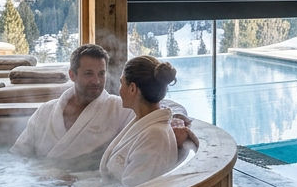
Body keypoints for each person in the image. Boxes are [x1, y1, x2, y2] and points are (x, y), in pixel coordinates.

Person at [11, 44, 191, 169]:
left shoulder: (117, 108)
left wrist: (177, 118)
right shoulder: (45, 112)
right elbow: (18, 156)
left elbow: (157, 105)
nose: (96, 81)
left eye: (101, 73)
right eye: (89, 74)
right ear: (72, 75)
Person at [100, 55, 181, 187]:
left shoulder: (155, 136)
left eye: (121, 83)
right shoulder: (144, 123)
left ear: (132, 88)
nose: (119, 90)